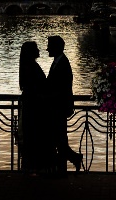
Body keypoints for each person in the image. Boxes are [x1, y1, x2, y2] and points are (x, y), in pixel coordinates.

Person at [46, 35, 83, 176]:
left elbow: (60, 88)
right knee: (59, 138)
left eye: (49, 46)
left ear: (56, 47)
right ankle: (70, 162)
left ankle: (62, 168)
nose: (47, 49)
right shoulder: (59, 61)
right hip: (58, 106)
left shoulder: (62, 63)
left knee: (58, 138)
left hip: (59, 107)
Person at [18, 41, 52, 175]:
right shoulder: (31, 66)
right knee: (33, 136)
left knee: (30, 136)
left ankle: (30, 166)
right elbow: (36, 87)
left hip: (31, 106)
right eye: (36, 48)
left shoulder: (28, 65)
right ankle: (34, 166)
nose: (39, 50)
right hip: (34, 108)